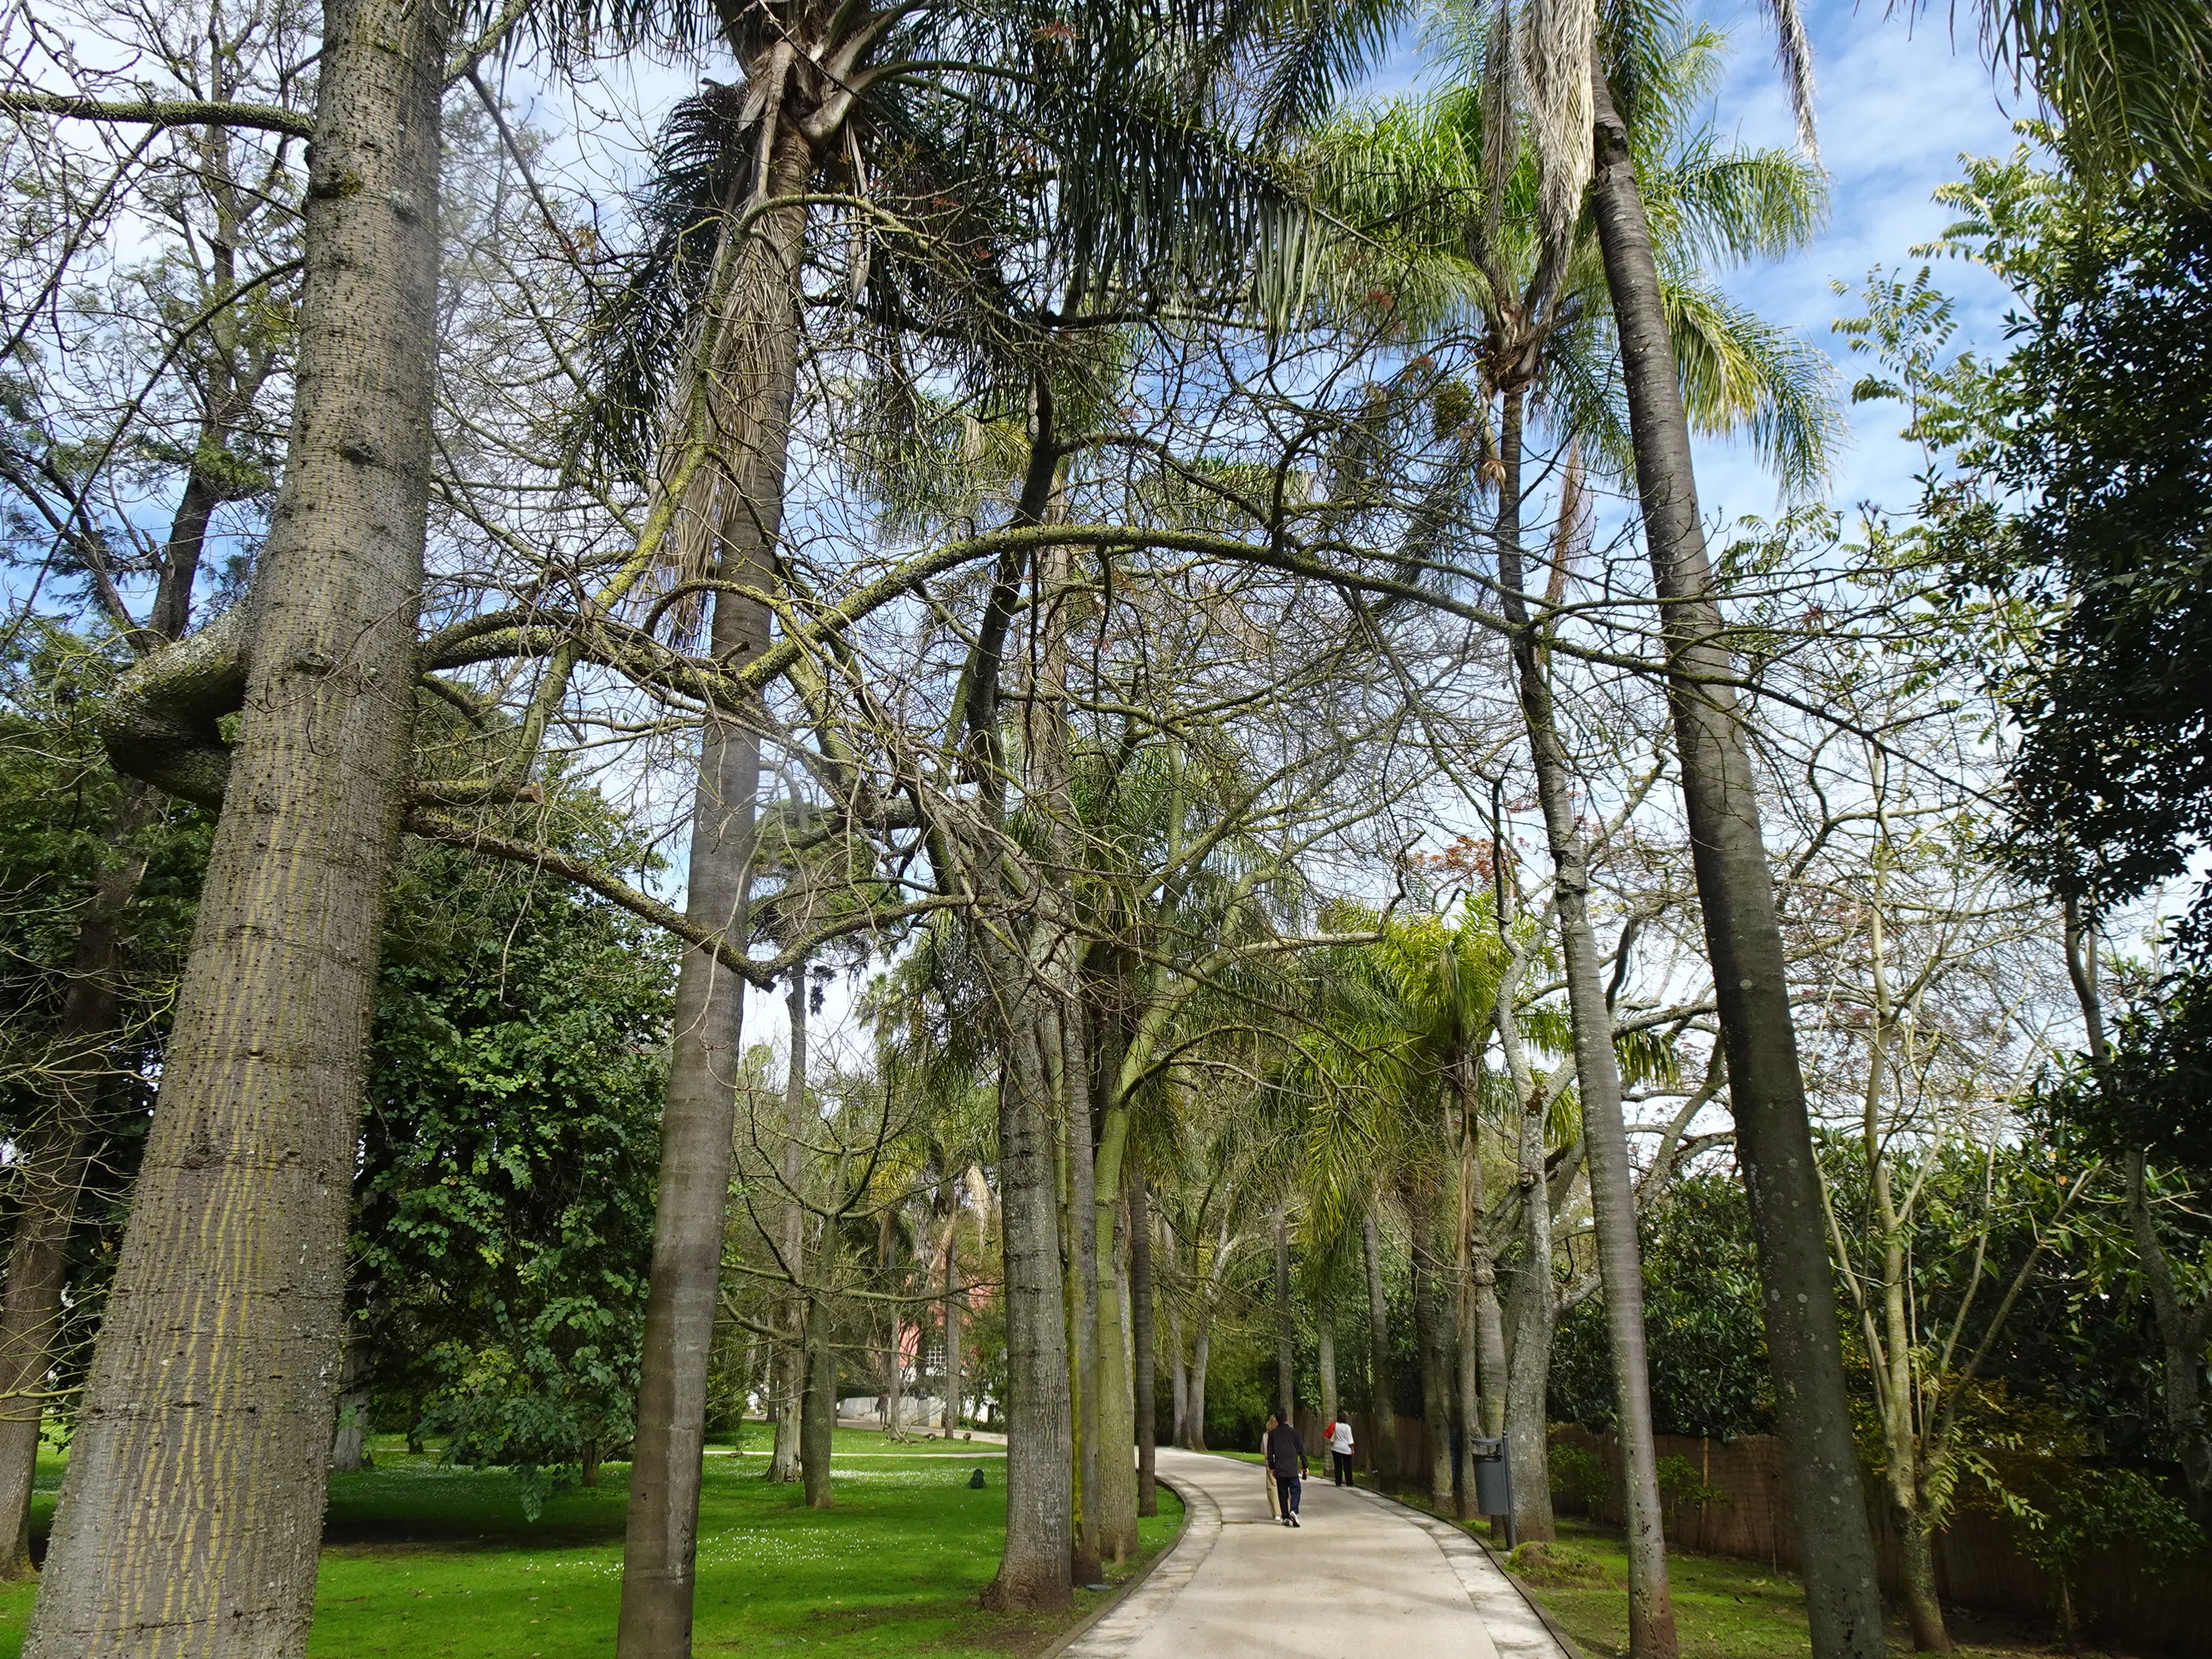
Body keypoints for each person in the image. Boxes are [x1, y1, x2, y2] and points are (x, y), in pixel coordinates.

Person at [1263, 1406, 1306, 1527]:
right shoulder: (1295, 1433)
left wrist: (1272, 1467)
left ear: (1277, 1420)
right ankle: (1293, 1510)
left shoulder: (1272, 1435)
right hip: (1292, 1467)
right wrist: (1305, 1465)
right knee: (1296, 1489)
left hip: (1280, 1467)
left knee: (1282, 1492)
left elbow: (1270, 1454)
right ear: (1287, 1419)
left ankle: (1285, 1516)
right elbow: (1301, 1450)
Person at [1328, 1416, 1356, 1487]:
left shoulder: (1335, 1425)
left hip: (1336, 1448)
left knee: (1338, 1466)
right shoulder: (1347, 1427)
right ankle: (1349, 1482)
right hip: (1346, 1449)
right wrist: (1352, 1449)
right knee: (1347, 1466)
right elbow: (1350, 1440)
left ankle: (1338, 1482)